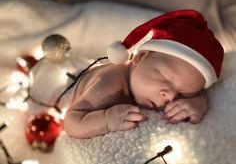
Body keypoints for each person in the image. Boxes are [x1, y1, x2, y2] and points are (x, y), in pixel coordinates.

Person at [62, 9, 224, 139]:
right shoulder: (108, 85)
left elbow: (200, 93)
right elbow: (72, 122)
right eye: (164, 77)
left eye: (183, 94)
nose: (169, 96)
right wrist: (107, 119)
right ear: (139, 57)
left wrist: (199, 103)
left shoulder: (150, 86)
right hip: (60, 85)